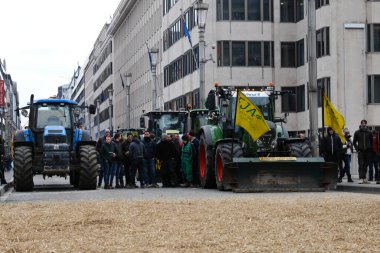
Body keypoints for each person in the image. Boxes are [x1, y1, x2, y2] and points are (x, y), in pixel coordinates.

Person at [353, 119, 373, 184]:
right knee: (361, 164)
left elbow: (372, 142)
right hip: (360, 151)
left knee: (365, 165)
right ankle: (361, 178)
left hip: (367, 151)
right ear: (361, 124)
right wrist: (357, 150)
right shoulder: (357, 132)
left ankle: (364, 178)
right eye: (363, 123)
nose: (364, 124)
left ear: (366, 124)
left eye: (365, 123)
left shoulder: (369, 132)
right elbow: (354, 142)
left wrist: (370, 149)